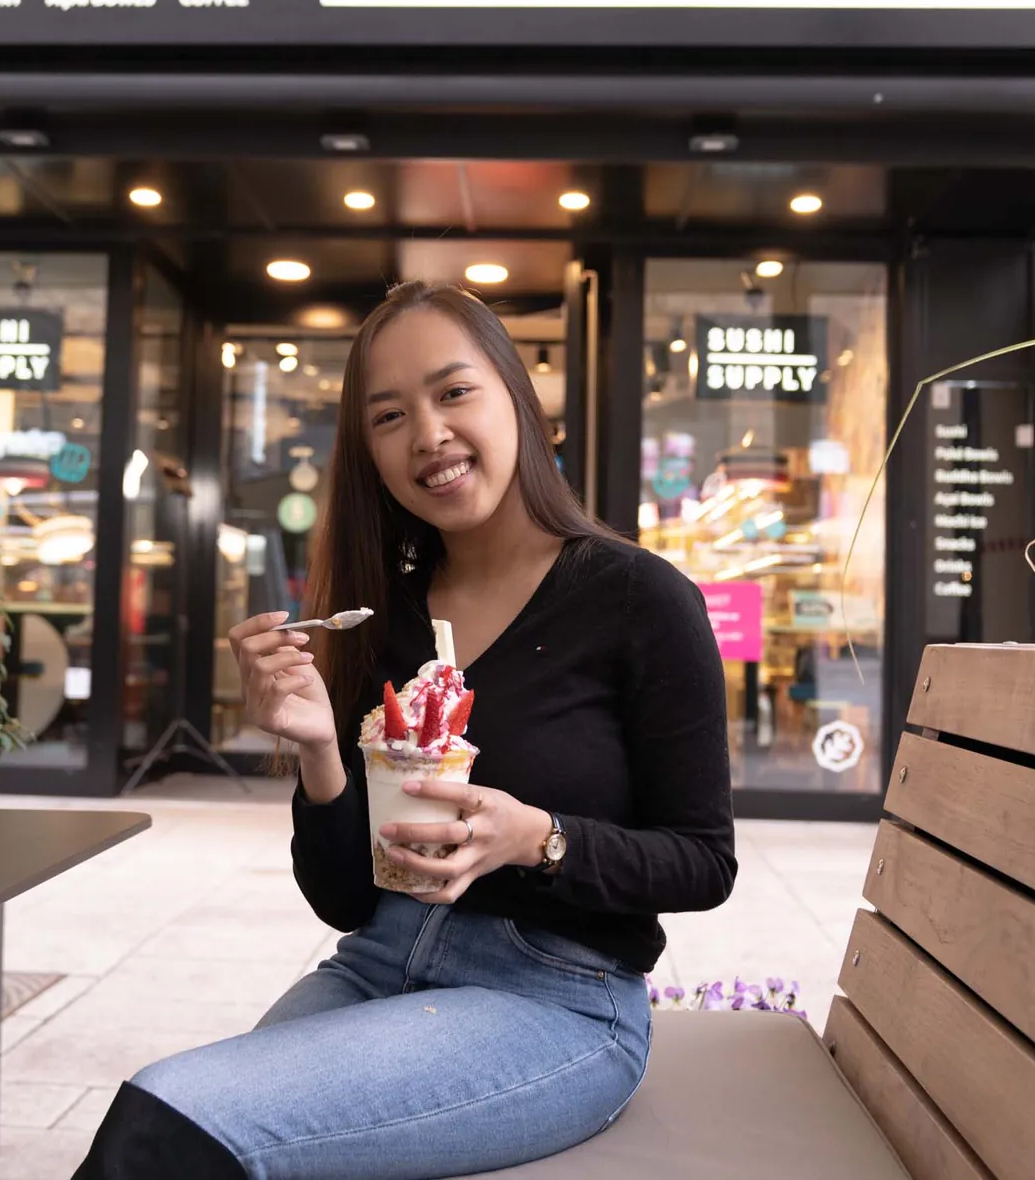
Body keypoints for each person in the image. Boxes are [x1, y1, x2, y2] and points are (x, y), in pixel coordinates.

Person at [76, 281, 735, 1180]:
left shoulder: (639, 599)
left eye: (454, 392)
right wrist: (317, 749)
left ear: (519, 401)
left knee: (170, 1130)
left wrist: (536, 840)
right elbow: (347, 900)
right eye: (389, 416)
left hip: (560, 1002)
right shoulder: (384, 620)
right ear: (372, 453)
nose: (427, 434)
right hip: (376, 965)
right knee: (178, 1122)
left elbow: (704, 860)